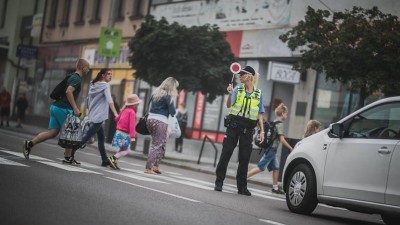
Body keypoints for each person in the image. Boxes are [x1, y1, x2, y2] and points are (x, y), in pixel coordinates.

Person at [22, 58, 90, 162]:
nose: (88, 70)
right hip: (63, 108)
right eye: (88, 68)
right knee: (70, 133)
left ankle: (29, 144)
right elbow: (68, 91)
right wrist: (75, 108)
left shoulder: (70, 76)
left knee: (53, 132)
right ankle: (68, 158)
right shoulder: (76, 79)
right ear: (83, 68)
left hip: (56, 107)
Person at [214, 65, 265, 196]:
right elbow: (229, 105)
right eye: (239, 74)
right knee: (226, 154)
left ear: (249, 77)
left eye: (242, 74)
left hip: (248, 129)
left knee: (244, 158)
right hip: (234, 126)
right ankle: (219, 182)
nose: (240, 76)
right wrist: (230, 95)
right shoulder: (237, 89)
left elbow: (260, 114)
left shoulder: (258, 94)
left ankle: (242, 187)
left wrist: (262, 131)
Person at [71, 68, 119, 167]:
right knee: (87, 136)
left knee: (101, 137)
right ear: (102, 75)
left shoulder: (94, 84)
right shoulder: (105, 86)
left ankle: (104, 159)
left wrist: (90, 112)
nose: (110, 76)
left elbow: (88, 100)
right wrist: (115, 113)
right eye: (108, 74)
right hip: (99, 116)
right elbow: (110, 101)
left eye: (111, 74)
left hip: (93, 114)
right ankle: (70, 152)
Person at [247, 103, 293, 194]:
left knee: (276, 168)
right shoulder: (280, 124)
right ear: (283, 113)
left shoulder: (274, 122)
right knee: (261, 167)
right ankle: (243, 178)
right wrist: (291, 148)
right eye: (286, 114)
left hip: (271, 149)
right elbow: (282, 139)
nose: (287, 116)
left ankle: (275, 188)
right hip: (271, 150)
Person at [145, 77, 179, 175]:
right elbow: (172, 112)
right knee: (157, 145)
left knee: (158, 144)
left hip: (150, 120)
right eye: (175, 87)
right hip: (160, 121)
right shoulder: (168, 96)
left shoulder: (155, 93)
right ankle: (148, 168)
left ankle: (155, 166)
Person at [108, 94, 141, 170]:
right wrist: (132, 136)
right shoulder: (132, 112)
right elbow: (131, 125)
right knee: (126, 150)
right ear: (134, 104)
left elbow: (116, 119)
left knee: (122, 149)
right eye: (137, 103)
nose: (138, 104)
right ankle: (113, 158)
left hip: (118, 132)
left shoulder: (124, 110)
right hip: (124, 134)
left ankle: (114, 162)